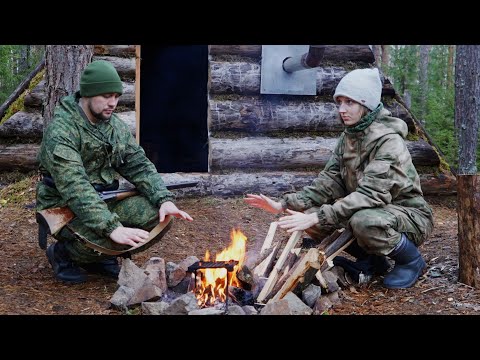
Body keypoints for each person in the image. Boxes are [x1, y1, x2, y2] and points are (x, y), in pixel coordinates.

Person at [245, 68, 434, 289]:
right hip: (373, 210)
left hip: (409, 216)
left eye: (349, 103)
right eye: (340, 102)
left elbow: (371, 195)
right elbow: (329, 181)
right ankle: (374, 260)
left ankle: (411, 261)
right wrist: (283, 204)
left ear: (366, 105)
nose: (342, 109)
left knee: (361, 221)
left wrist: (319, 217)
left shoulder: (389, 142)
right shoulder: (348, 137)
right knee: (309, 215)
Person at [36, 60, 193, 284]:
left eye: (117, 96)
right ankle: (63, 253)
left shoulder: (114, 126)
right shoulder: (62, 131)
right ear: (88, 94)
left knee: (159, 216)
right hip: (64, 206)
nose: (113, 103)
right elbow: (75, 186)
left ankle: (98, 257)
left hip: (105, 200)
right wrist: (112, 227)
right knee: (109, 236)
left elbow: (138, 164)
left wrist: (163, 198)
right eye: (106, 96)